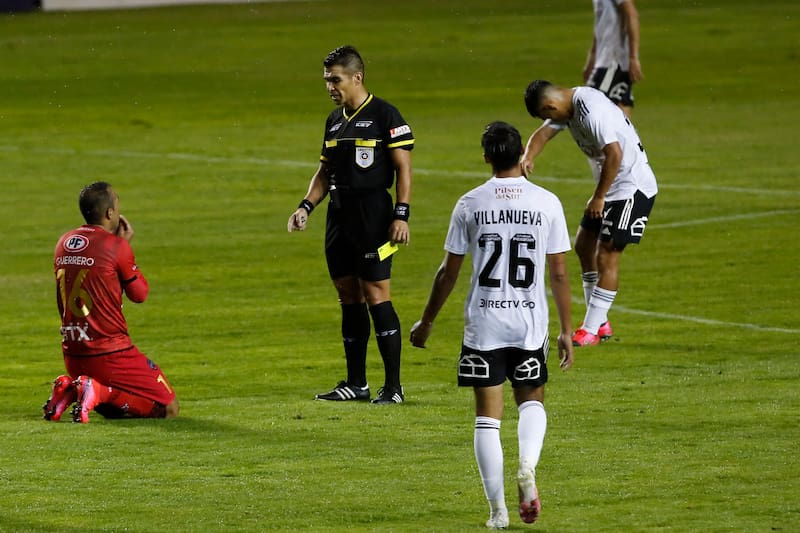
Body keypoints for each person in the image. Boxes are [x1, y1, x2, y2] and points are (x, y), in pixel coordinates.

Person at [410, 122, 574, 528]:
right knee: (532, 401)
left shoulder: (470, 203)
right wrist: (567, 329)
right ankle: (527, 467)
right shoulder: (547, 202)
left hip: (485, 324)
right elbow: (558, 274)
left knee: (488, 417)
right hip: (528, 324)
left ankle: (497, 511)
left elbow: (448, 273)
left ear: (486, 157)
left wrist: (427, 321)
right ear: (522, 154)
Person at [287, 45, 414, 404]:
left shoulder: (384, 114)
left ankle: (394, 388)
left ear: (356, 77)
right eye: (327, 79)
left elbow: (403, 168)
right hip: (339, 216)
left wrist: (401, 214)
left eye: (335, 79)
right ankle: (356, 383)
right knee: (348, 295)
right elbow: (325, 172)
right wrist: (306, 207)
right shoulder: (334, 120)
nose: (329, 86)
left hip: (373, 214)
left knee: (376, 292)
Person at [522, 80, 658, 347]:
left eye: (546, 115)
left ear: (551, 105)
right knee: (583, 246)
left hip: (632, 187)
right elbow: (543, 134)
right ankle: (600, 321)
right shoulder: (568, 108)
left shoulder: (591, 110)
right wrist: (528, 156)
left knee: (606, 252)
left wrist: (599, 197)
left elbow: (615, 155)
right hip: (611, 188)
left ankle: (591, 329)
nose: (549, 120)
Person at [42, 181, 179, 423]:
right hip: (110, 354)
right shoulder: (117, 247)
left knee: (114, 409)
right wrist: (124, 246)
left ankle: (71, 389)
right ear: (109, 213)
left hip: (73, 354)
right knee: (168, 409)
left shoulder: (63, 242)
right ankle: (95, 389)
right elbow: (139, 294)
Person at [582, 0, 643, 119]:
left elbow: (632, 14)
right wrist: (593, 57)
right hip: (609, 61)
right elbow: (601, 22)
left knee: (588, 109)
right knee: (621, 119)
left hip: (613, 62)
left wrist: (633, 57)